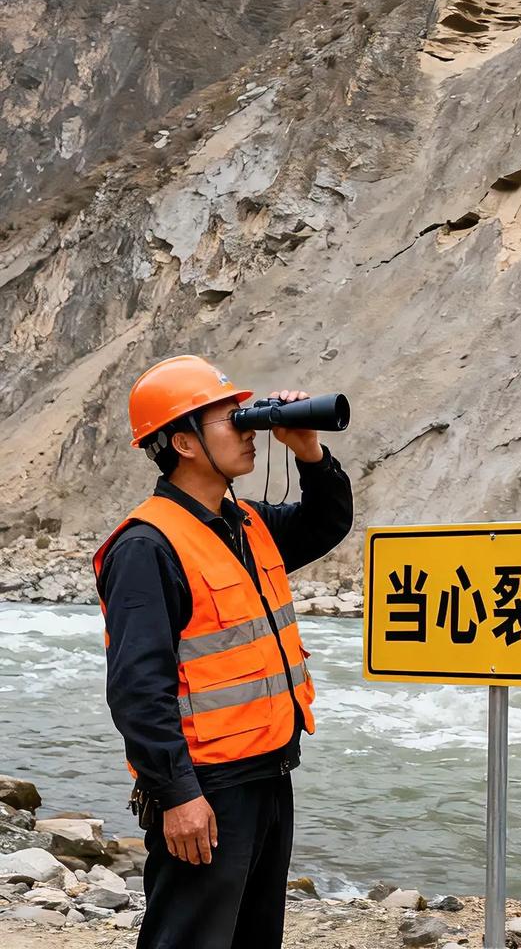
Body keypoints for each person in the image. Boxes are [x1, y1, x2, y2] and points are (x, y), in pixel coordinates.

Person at [92, 355, 354, 949]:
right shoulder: (146, 546)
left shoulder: (247, 524)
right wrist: (177, 795)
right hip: (207, 788)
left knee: (254, 938)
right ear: (184, 442)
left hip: (268, 772)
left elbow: (327, 522)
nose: (247, 429)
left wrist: (309, 452)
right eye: (230, 420)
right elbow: (138, 690)